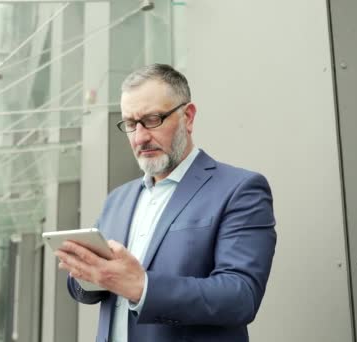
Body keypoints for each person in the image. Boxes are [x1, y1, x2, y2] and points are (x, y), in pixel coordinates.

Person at [55, 64, 276, 342]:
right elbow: (88, 290)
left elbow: (240, 295)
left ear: (188, 117)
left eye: (153, 119)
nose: (140, 137)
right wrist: (86, 274)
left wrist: (141, 286)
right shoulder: (117, 200)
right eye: (131, 124)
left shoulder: (239, 189)